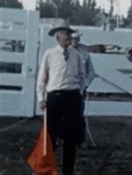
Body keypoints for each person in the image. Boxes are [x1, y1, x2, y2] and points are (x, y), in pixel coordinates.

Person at [36, 20, 85, 175]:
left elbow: (82, 76)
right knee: (50, 138)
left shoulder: (76, 54)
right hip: (55, 98)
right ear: (58, 37)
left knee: (70, 138)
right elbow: (41, 79)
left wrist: (80, 92)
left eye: (69, 33)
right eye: (65, 34)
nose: (69, 37)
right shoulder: (49, 54)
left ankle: (68, 171)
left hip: (72, 98)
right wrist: (40, 98)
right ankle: (46, 170)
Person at [71, 30, 96, 145]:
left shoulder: (84, 53)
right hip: (67, 86)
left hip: (80, 88)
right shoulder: (65, 53)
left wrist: (86, 84)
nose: (75, 41)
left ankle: (79, 139)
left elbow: (91, 72)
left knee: (79, 114)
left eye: (77, 39)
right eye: (72, 39)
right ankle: (62, 137)